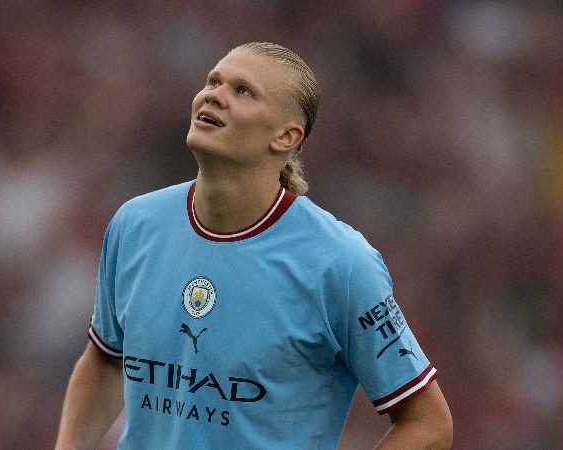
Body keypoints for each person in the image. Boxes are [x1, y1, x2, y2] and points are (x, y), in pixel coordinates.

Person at [55, 42, 453, 449]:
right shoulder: (134, 225)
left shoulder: (341, 264)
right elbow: (106, 359)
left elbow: (428, 423)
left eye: (243, 91)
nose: (214, 94)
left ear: (286, 136)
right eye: (213, 81)